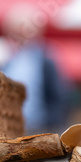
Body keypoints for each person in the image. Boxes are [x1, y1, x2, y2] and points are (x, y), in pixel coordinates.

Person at [2, 3, 69, 134]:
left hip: (39, 129)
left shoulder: (46, 57)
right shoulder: (5, 55)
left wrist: (52, 124)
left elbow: (60, 97)